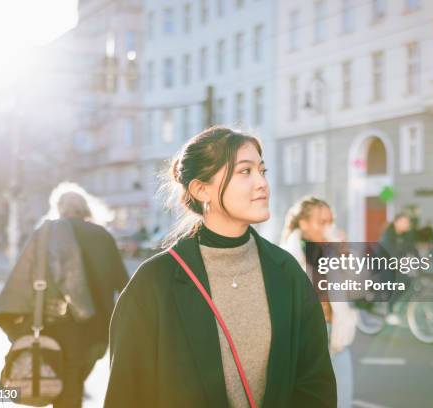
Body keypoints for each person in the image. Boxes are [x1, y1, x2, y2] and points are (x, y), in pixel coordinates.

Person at [104, 126, 336, 408]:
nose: (262, 183)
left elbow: (316, 384)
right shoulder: (155, 282)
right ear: (202, 189)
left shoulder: (286, 271)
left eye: (262, 171)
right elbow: (127, 394)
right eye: (245, 172)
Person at [0, 183, 129, 408]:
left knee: (62, 388)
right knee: (73, 385)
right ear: (86, 209)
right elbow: (124, 285)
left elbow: (22, 279)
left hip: (54, 326)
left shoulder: (46, 234)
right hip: (96, 330)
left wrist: (16, 326)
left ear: (58, 208)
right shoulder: (103, 236)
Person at [280, 197, 357, 408]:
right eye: (322, 222)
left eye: (330, 221)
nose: (328, 227)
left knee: (343, 402)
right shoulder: (286, 256)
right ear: (303, 224)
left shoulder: (333, 250)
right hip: (305, 342)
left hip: (337, 338)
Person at [376, 212, 418, 325]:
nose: (407, 224)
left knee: (407, 281)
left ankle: (392, 304)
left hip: (395, 263)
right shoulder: (388, 234)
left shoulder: (406, 235)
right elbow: (391, 251)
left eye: (407, 222)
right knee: (393, 283)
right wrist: (401, 263)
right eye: (404, 222)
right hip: (382, 262)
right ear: (396, 222)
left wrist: (421, 261)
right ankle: (388, 311)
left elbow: (412, 249)